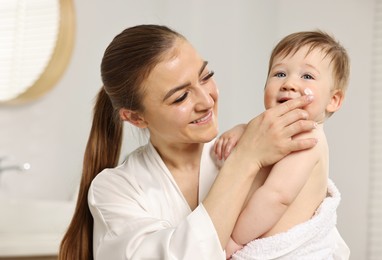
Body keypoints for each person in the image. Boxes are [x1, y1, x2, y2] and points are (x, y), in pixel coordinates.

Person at [58, 24, 319, 260]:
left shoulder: (246, 147)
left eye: (206, 76)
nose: (206, 101)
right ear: (135, 117)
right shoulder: (116, 190)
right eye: (181, 97)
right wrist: (245, 161)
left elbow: (310, 239)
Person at [214, 30, 351, 259]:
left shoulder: (307, 138)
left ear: (333, 100)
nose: (289, 83)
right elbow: (256, 131)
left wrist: (234, 240)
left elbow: (277, 196)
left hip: (281, 251)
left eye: (307, 76)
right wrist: (241, 130)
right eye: (279, 73)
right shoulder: (276, 125)